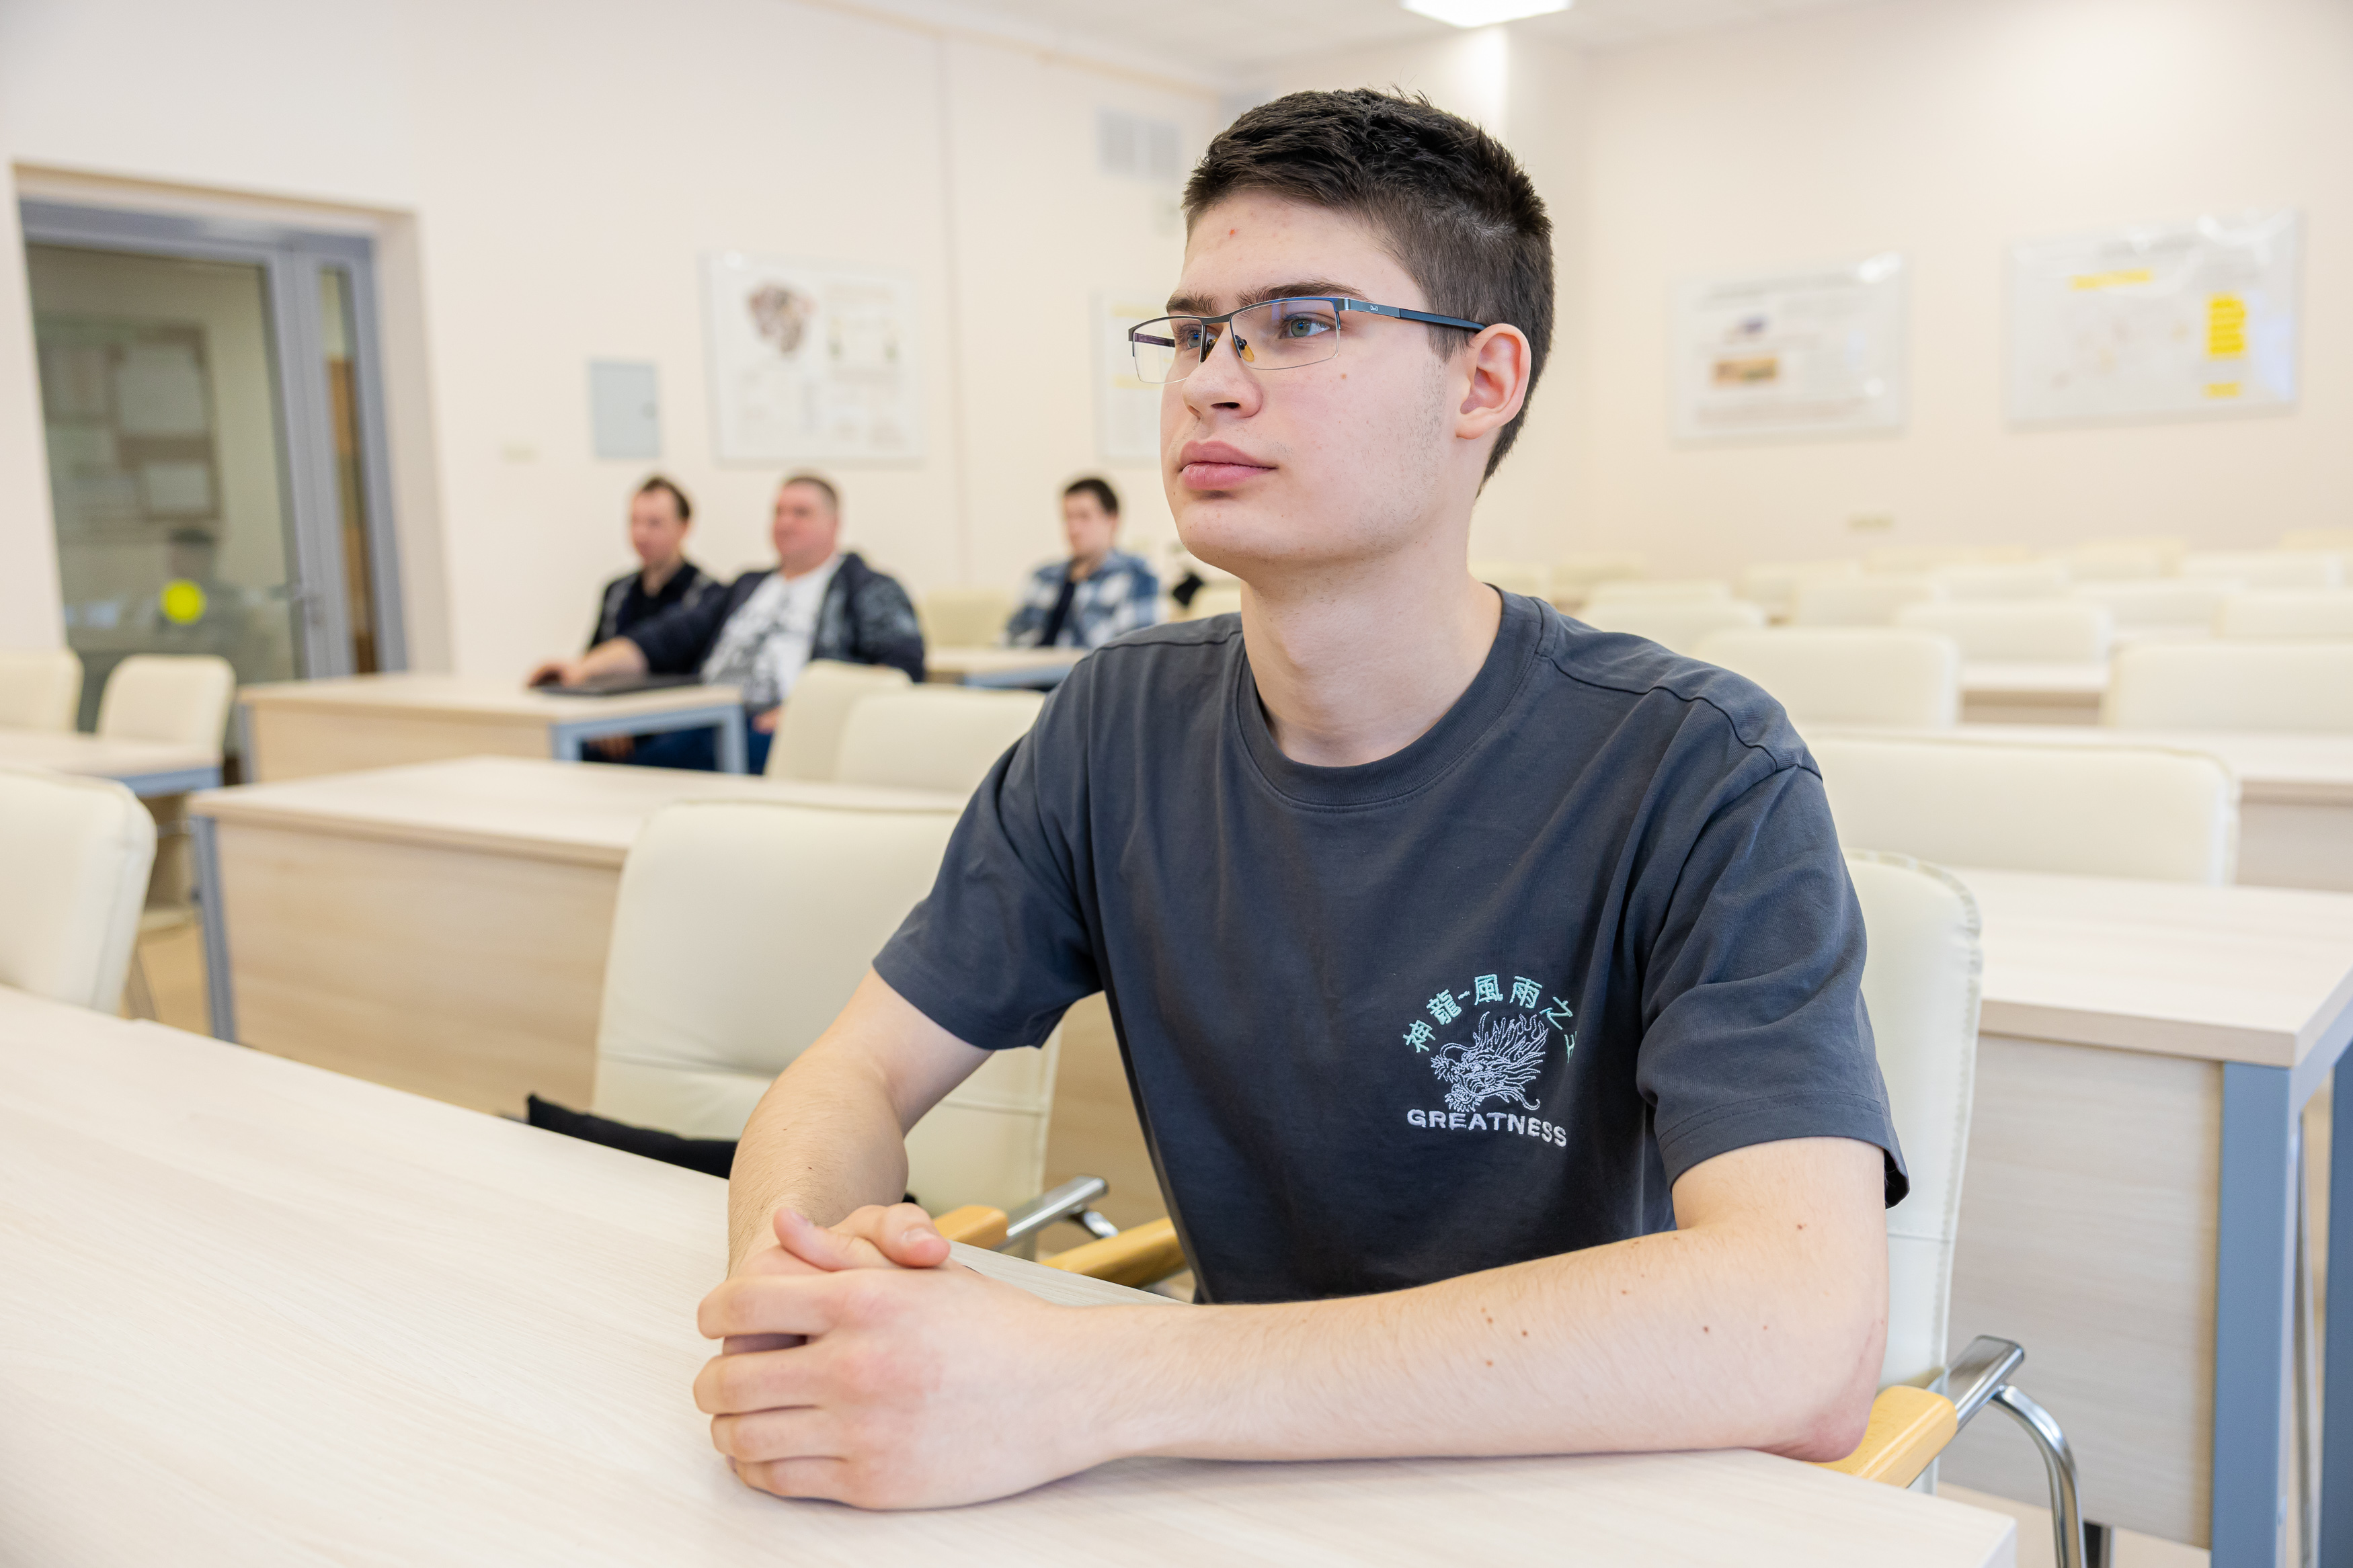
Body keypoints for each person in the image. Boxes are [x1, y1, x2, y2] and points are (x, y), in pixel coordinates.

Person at [694, 90, 1902, 1511]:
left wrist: (1093, 1377)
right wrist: (795, 1277)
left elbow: (1802, 1329)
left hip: (1576, 1487)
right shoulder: (1114, 721)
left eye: (1302, 321)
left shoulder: (1699, 768)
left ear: (1483, 381)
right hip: (1227, 1483)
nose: (1213, 380)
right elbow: (851, 1073)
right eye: (1193, 329)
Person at [530, 474, 923, 773]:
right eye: (778, 512)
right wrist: (582, 669)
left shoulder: (867, 587)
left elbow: (901, 669)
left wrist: (806, 711)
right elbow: (663, 638)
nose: (786, 523)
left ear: (835, 524)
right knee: (588, 752)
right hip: (709, 718)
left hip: (779, 728)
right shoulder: (747, 586)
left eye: (801, 513)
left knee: (650, 769)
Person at [1001, 477, 1162, 649]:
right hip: (1029, 665)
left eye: (1084, 517)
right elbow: (1007, 640)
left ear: (1112, 520)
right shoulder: (1043, 576)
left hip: (1088, 666)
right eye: (1068, 517)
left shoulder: (1137, 576)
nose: (1073, 529)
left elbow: (1136, 652)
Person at [589, 476, 715, 647]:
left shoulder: (709, 596)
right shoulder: (616, 592)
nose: (641, 534)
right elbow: (594, 656)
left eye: (654, 523)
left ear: (684, 527)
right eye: (635, 521)